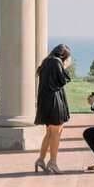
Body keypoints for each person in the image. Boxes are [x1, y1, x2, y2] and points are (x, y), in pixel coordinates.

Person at [33, 43, 72, 174]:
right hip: (55, 101)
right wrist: (65, 65)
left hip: (46, 101)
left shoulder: (47, 62)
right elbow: (64, 80)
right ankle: (53, 162)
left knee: (49, 133)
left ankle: (41, 160)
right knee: (57, 132)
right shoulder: (56, 62)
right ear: (64, 56)